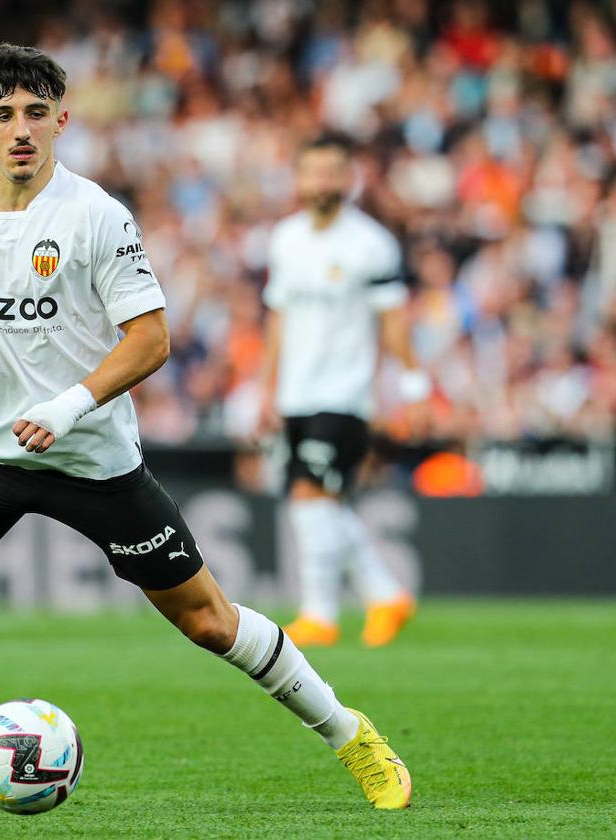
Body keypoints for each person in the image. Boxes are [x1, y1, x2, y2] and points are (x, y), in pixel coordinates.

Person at [0, 44, 411, 810]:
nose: (20, 129)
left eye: (35, 113)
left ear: (61, 119)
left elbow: (151, 340)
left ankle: (350, 733)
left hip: (92, 458)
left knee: (210, 624)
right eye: (3, 115)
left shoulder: (96, 216)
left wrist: (67, 408)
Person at [257, 132, 426, 648]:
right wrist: (266, 390)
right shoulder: (285, 239)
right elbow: (278, 319)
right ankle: (386, 594)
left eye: (332, 171)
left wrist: (415, 385)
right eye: (313, 171)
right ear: (299, 179)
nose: (322, 182)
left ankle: (320, 615)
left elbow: (394, 321)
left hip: (346, 393)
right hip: (295, 394)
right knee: (318, 503)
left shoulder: (370, 244)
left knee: (311, 496)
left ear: (349, 178)